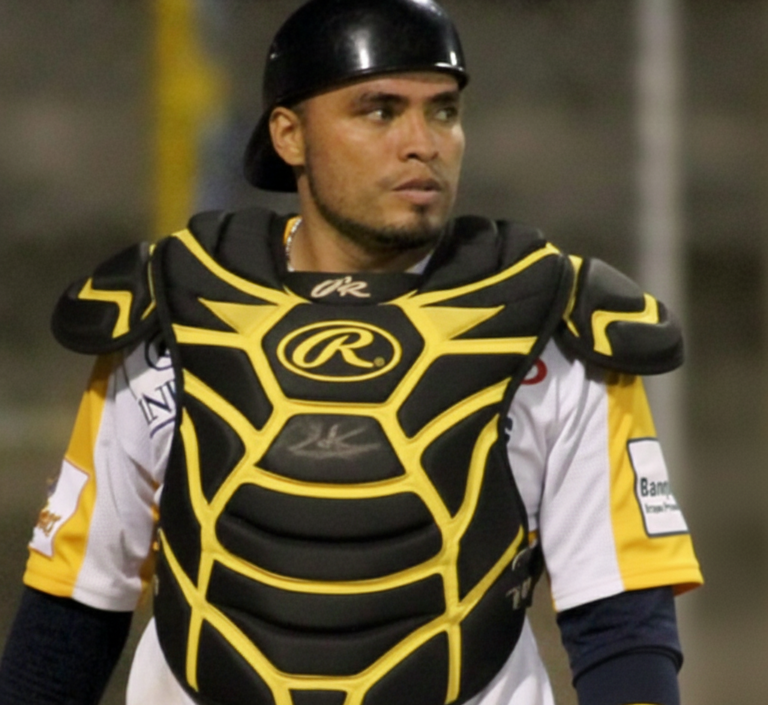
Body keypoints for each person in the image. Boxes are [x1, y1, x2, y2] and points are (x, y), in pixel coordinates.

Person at [0, 1, 703, 704]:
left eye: (444, 111)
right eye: (380, 111)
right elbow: (73, 613)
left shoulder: (554, 322)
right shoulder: (178, 315)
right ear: (289, 134)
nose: (422, 143)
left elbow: (622, 629)